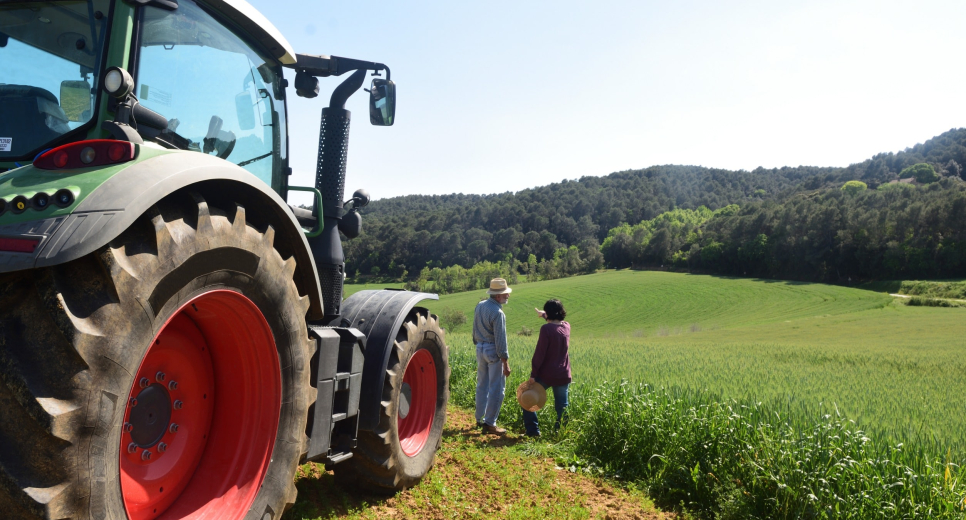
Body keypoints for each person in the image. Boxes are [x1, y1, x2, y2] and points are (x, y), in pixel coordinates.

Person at [523, 299, 571, 437]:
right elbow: (555, 324)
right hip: (563, 375)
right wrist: (543, 314)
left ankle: (533, 432)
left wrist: (533, 374)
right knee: (562, 406)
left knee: (527, 398)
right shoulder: (567, 326)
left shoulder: (546, 329)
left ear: (549, 313)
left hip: (547, 374)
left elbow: (540, 353)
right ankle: (560, 434)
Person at [473, 278, 512, 435]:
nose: (507, 296)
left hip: (480, 348)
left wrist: (478, 344)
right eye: (505, 294)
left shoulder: (480, 305)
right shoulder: (498, 313)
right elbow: (500, 341)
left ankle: (478, 418)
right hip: (492, 351)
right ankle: (490, 423)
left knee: (482, 385)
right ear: (498, 296)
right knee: (497, 388)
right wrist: (506, 362)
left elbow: (474, 330)